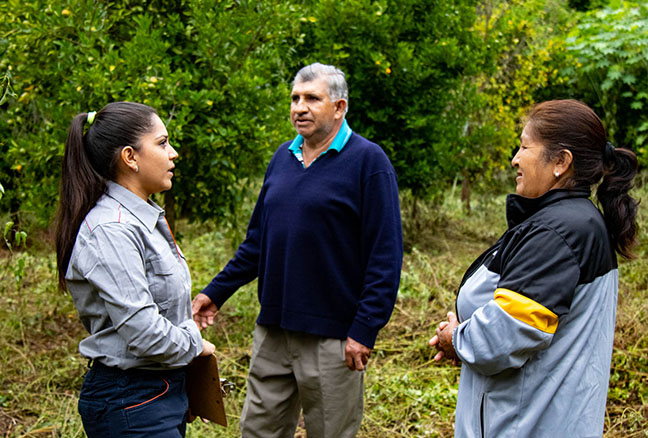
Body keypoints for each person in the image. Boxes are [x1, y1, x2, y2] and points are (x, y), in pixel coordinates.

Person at [192, 63, 403, 437]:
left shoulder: (368, 163)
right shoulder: (282, 158)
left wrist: (364, 329)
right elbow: (258, 242)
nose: (299, 107)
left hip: (333, 339)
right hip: (273, 331)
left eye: (311, 98)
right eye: (294, 98)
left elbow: (384, 257)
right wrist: (215, 292)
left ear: (339, 107)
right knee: (258, 430)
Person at [429, 99, 639, 437]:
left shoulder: (559, 232)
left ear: (561, 162)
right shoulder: (566, 221)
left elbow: (503, 336)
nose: (515, 158)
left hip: (527, 423)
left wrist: (457, 339)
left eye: (525, 146)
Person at [55, 102, 215, 438]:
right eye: (162, 143)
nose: (173, 154)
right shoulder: (112, 229)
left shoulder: (143, 218)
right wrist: (194, 345)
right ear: (130, 157)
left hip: (157, 391)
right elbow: (143, 332)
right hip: (131, 399)